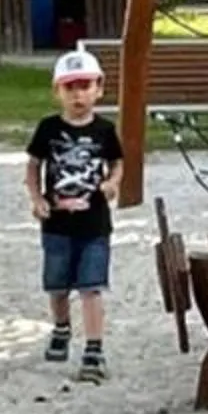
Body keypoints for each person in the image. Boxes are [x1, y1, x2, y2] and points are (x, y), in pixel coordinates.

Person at [25, 47, 124, 381]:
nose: (78, 94)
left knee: (92, 286)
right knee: (56, 284)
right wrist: (37, 198)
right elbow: (34, 165)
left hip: (94, 224)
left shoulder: (105, 130)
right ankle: (61, 326)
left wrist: (112, 183)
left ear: (99, 88)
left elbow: (118, 162)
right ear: (58, 92)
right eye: (70, 87)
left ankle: (94, 349)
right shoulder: (48, 128)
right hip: (56, 224)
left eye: (85, 85)